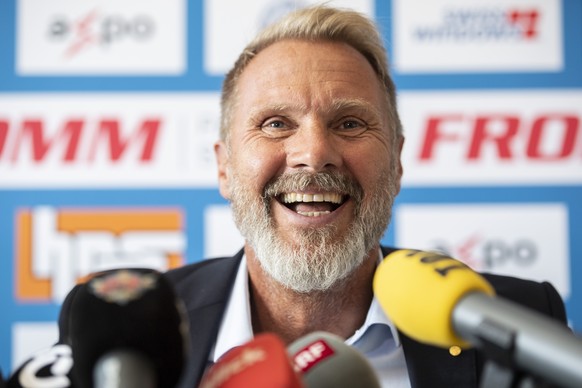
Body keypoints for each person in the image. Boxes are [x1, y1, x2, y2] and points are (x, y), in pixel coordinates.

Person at [5, 5, 568, 388]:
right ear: (225, 167)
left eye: (349, 123)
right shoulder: (124, 333)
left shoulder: (514, 321)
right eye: (276, 123)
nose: (313, 153)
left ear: (396, 161)